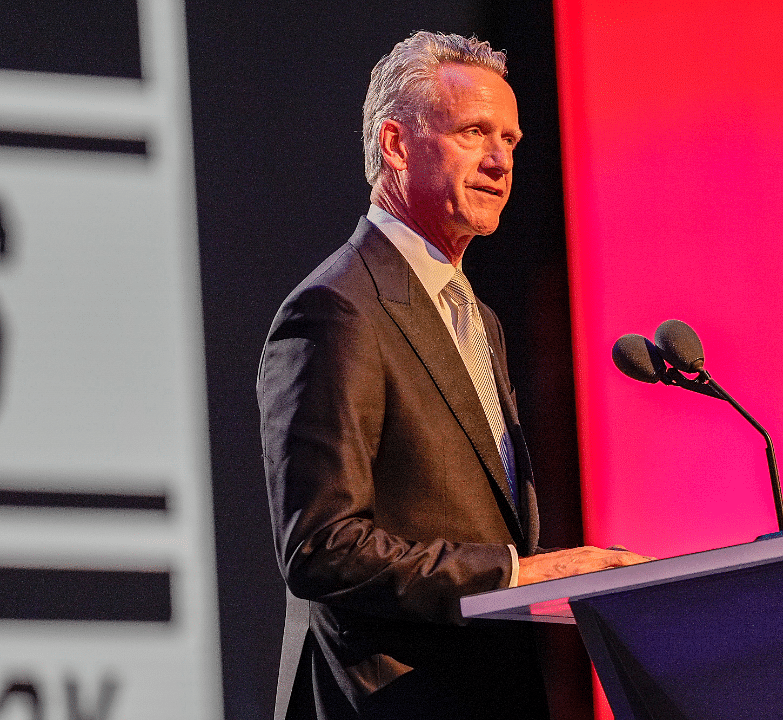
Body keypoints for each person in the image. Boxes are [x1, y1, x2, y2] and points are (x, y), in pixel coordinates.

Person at [258, 32, 649, 720]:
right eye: (474, 133)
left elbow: (464, 519)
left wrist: (555, 576)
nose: (501, 162)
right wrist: (517, 574)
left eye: (511, 141)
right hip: (392, 699)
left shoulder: (477, 318)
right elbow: (322, 547)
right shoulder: (335, 310)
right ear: (396, 145)